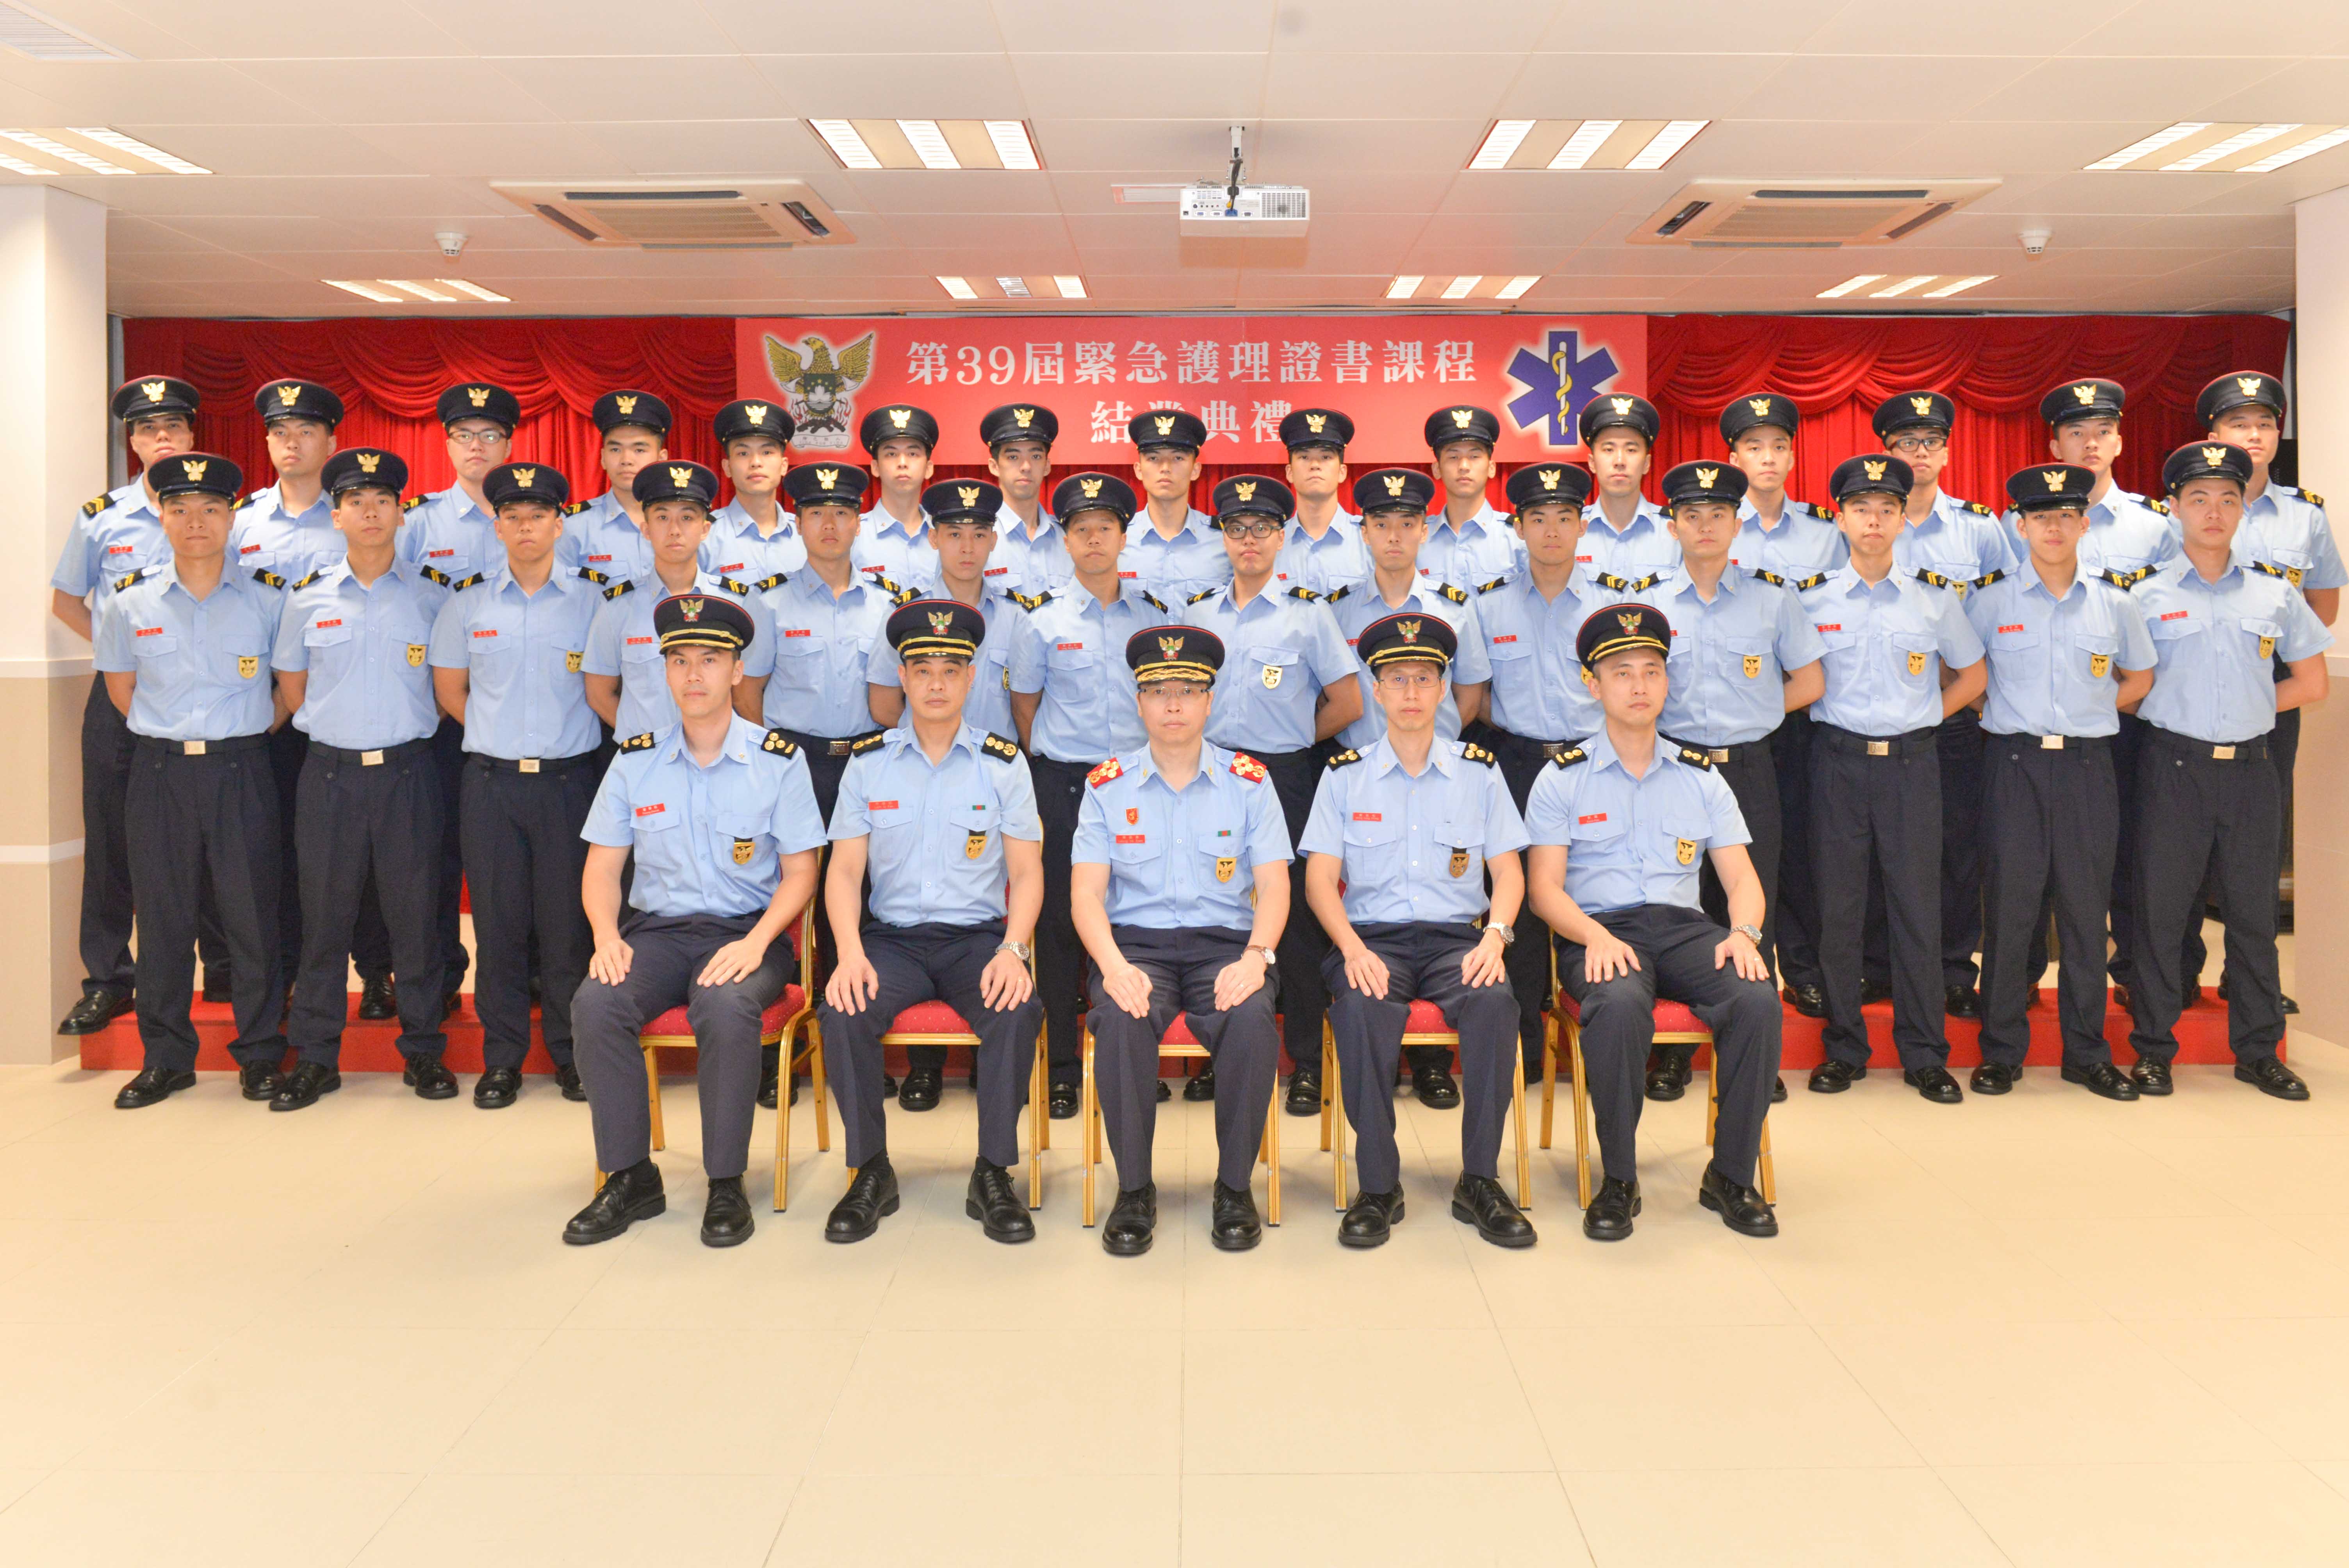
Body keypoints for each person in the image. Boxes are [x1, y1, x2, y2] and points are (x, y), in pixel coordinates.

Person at [561, 593, 826, 1248]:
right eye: (680, 661)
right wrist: (605, 937)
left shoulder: (778, 760)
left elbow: (803, 872)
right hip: (656, 933)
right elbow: (601, 870)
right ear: (666, 671)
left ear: (737, 670)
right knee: (596, 1003)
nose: (694, 675)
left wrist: (758, 942)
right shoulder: (635, 760)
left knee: (726, 1005)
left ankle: (726, 1182)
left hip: (747, 932)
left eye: (710, 660)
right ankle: (630, 1176)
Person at [1524, 602, 1783, 1240]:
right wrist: (1594, 936)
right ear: (1594, 686)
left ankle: (1730, 1175)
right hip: (1599, 929)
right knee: (1616, 1004)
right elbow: (1543, 891)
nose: (1639, 686)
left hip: (1684, 928)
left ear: (1667, 682)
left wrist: (1745, 935)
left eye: (1651, 671)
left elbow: (1742, 880)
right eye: (1622, 673)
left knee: (1756, 998)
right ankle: (1619, 1179)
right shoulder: (1561, 778)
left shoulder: (1701, 777)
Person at [1303, 611, 1534, 1249]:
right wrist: (1351, 949)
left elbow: (1509, 875)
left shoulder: (1480, 772)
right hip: (1370, 939)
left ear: (1443, 690)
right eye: (1397, 680)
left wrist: (1496, 937)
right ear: (1376, 691)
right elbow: (1319, 881)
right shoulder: (1343, 775)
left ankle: (1480, 1179)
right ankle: (1379, 1185)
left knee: (1495, 1004)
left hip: (1459, 939)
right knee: (1360, 1009)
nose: (1411, 692)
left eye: (1424, 679)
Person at [818, 599, 1046, 1245]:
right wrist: (848, 953)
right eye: (923, 671)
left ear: (971, 678)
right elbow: (844, 873)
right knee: (843, 1010)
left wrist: (1014, 950)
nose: (937, 684)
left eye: (951, 671)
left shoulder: (1003, 763)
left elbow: (1027, 873)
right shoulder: (868, 763)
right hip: (891, 942)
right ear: (903, 678)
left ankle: (993, 1172)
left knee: (1016, 1008)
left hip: (977, 940)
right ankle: (870, 1170)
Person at [1073, 625, 1292, 1254]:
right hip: (1135, 947)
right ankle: (1134, 1190)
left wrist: (1256, 959)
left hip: (1226, 946)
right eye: (1158, 691)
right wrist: (1112, 967)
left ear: (1209, 701)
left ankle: (1234, 1187)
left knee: (1250, 1018)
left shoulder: (1250, 782)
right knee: (1120, 1018)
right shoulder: (1106, 785)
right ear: (1139, 701)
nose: (1174, 704)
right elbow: (1086, 894)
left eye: (1189, 690)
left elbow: (1275, 886)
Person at [2123, 441, 2330, 1100]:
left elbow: (2313, 682)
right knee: (2161, 914)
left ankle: (2259, 1051)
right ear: (2174, 508)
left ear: (2242, 509)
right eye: (2198, 499)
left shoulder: (2275, 593)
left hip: (2250, 772)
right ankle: (2153, 1049)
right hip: (2172, 767)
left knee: (2252, 916)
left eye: (2228, 499)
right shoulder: (2142, 596)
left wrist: (2248, 705)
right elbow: (2122, 686)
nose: (2213, 512)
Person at [96, 453, 290, 1109]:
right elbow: (123, 692)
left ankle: (260, 1055)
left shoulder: (268, 598)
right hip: (161, 774)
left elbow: (288, 690)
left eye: (210, 509)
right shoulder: (131, 602)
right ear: (162, 517)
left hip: (243, 770)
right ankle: (166, 1058)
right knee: (163, 919)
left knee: (252, 919)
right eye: (179, 509)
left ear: (231, 517)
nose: (195, 521)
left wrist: (242, 733)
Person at [268, 448, 453, 1109]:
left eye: (383, 501)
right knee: (324, 920)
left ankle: (424, 1050)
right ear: (337, 515)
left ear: (401, 514)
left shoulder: (433, 596)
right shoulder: (306, 598)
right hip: (330, 777)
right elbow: (293, 688)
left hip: (408, 774)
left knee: (416, 919)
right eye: (356, 502)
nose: (370, 512)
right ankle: (317, 1057)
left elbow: (444, 689)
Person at [1964, 462, 2153, 1100]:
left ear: (2084, 524)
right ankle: (2001, 1052)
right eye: (2040, 517)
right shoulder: (1990, 602)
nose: (2053, 527)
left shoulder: (2115, 602)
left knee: (2084, 913)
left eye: (2066, 516)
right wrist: (2001, 713)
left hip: (2087, 769)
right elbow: (1963, 676)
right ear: (2019, 527)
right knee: (2011, 911)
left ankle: (2087, 1054)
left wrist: (2092, 712)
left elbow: (2141, 677)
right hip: (2013, 766)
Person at [1801, 454, 1987, 1102]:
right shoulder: (1812, 601)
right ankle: (1844, 1048)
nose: (1874, 521)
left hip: (1912, 766)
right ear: (1841, 518)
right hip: (1838, 763)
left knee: (1916, 908)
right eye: (1861, 509)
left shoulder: (1933, 599)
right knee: (1840, 910)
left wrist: (1928, 714)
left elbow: (1974, 674)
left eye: (1887, 509)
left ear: (1904, 519)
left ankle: (1925, 1052)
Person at [1646, 460, 1825, 1101]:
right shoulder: (1647, 604)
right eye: (1691, 515)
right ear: (1673, 525)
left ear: (1737, 522)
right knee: (1678, 911)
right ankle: (1673, 1056)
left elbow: (1810, 682)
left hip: (1749, 770)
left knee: (1752, 909)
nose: (1705, 526)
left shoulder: (1772, 599)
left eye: (1718, 514)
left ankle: (1755, 1054)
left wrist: (1757, 716)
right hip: (1671, 771)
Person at [428, 460, 602, 1109]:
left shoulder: (593, 602)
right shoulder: (466, 603)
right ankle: (501, 1060)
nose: (526, 527)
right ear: (497, 526)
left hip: (569, 785)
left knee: (567, 930)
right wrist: (499, 734)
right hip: (492, 786)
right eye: (513, 517)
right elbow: (450, 690)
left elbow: (606, 686)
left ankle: (572, 1055)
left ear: (559, 525)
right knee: (498, 928)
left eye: (538, 516)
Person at [1185, 475, 1362, 1111]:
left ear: (1281, 538)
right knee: (1218, 912)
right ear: (1224, 539)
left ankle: (1307, 1063)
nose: (1249, 540)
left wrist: (1291, 739)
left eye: (1262, 528)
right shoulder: (1198, 615)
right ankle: (1217, 1053)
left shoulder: (1307, 614)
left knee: (1299, 926)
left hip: (1285, 777)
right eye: (1237, 529)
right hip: (1209, 777)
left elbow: (1348, 701)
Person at [1007, 473, 1173, 1118]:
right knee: (1056, 927)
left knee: (1135, 918)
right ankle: (1061, 1068)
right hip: (1065, 785)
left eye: (1106, 528)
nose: (1095, 539)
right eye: (1082, 529)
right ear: (1067, 541)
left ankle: (1138, 1054)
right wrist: (1058, 767)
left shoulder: (1155, 618)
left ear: (1124, 538)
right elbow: (1025, 707)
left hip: (1138, 784)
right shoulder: (1041, 619)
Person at [1330, 467, 1495, 1109]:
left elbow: (1469, 693)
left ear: (1425, 531)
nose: (1394, 536)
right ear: (1364, 532)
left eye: (1407, 524)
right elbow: (1333, 695)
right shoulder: (1338, 609)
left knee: (1441, 902)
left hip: (1442, 776)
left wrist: (1435, 742)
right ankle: (1373, 1060)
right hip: (1361, 779)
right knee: (1374, 909)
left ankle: (1431, 1066)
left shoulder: (1454, 605)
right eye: (1381, 524)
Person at [868, 478, 1032, 1103]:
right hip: (915, 771)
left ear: (994, 540)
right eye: (954, 534)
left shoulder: (1016, 615)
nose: (967, 546)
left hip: (993, 782)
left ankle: (994, 1066)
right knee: (913, 899)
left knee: (979, 905)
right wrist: (925, 744)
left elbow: (1024, 709)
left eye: (979, 534)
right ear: (934, 538)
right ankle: (926, 1066)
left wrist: (994, 764)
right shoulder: (903, 615)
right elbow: (884, 704)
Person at [2023, 377, 2179, 1009]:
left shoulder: (2155, 527)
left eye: (2103, 431)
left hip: (2130, 718)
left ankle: (2135, 976)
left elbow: (2173, 619)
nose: (2090, 442)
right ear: (2054, 444)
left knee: (2132, 854)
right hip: (2044, 726)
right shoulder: (2020, 522)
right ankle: (2023, 978)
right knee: (2032, 865)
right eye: (2076, 431)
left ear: (2119, 440)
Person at [2187, 370, 2337, 1015]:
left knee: (2259, 842)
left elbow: (2321, 609)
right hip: (2190, 695)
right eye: (2238, 424)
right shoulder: (2179, 509)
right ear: (2212, 433)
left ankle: (2250, 979)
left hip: (2273, 693)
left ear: (2279, 434)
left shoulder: (2305, 515)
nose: (2253, 435)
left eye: (2265, 424)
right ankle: (2177, 970)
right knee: (2183, 842)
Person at [52, 375, 198, 1037]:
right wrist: (121, 657)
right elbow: (66, 602)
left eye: (173, 425)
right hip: (119, 698)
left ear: (192, 434)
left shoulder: (224, 508)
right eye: (147, 428)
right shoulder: (101, 517)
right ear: (132, 442)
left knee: (208, 836)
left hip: (201, 695)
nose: (161, 436)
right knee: (111, 840)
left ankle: (223, 970)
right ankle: (110, 979)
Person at [1470, 461, 1622, 1087]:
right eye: (1538, 519)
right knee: (1522, 914)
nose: (1552, 530)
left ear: (1584, 526)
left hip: (1594, 766)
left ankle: (1605, 1042)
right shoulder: (1489, 605)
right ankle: (1528, 1051)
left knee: (1595, 893)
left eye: (1565, 518)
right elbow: (1476, 697)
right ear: (1519, 528)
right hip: (1518, 765)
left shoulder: (1613, 603)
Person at [1874, 391, 2018, 1021]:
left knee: (1957, 849)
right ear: (1887, 453)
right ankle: (1878, 966)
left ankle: (1956, 970)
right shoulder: (1866, 519)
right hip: (1880, 714)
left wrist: (1976, 699)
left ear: (1947, 451)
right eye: (1906, 443)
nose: (1920, 452)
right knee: (1880, 849)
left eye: (1930, 441)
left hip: (1957, 714)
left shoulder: (1980, 529)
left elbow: (2006, 612)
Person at [395, 380, 524, 1024]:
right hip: (439, 716)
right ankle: (441, 974)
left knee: (526, 860)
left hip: (524, 713)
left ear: (509, 445)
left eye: (490, 435)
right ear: (447, 444)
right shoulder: (417, 523)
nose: (477, 446)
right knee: (436, 855)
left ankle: (530, 972)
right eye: (465, 435)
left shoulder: (536, 512)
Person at [1720, 393, 1843, 1021]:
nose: (1767, 458)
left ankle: (1801, 968)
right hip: (1721, 723)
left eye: (1778, 447)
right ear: (1734, 457)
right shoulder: (1710, 520)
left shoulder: (1827, 534)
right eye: (1754, 447)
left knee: (1795, 849)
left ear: (1793, 456)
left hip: (1799, 718)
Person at [237, 378, 350, 1000]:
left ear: (331, 442)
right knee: (273, 851)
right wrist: (276, 705)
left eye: (306, 431)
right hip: (265, 716)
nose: (292, 443)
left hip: (340, 710)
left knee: (356, 857)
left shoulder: (356, 514)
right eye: (280, 432)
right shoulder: (241, 522)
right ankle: (279, 973)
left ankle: (374, 973)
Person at [756, 462, 911, 817]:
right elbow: (748, 690)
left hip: (870, 759)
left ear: (858, 524)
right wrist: (769, 756)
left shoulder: (887, 603)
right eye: (816, 514)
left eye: (841, 513)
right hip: (792, 760)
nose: (829, 525)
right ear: (798, 524)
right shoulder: (769, 602)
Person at [584, 460, 771, 744]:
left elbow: (747, 691)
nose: (674, 530)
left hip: (719, 758)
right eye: (662, 518)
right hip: (644, 762)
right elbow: (599, 694)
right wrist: (645, 745)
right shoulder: (617, 607)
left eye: (687, 518)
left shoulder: (738, 602)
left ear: (705, 529)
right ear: (646, 530)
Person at [559, 389, 672, 584]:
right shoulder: (573, 526)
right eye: (616, 449)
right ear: (603, 458)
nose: (626, 460)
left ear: (662, 459)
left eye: (639, 450)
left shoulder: (685, 525)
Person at [1123, 408, 1230, 602]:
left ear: (1195, 470)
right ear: (1138, 470)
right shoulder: (1117, 540)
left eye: (1178, 458)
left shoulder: (1224, 541)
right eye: (1153, 458)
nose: (1165, 468)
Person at [1418, 405, 1524, 591]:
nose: (1464, 466)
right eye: (1453, 457)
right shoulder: (1416, 540)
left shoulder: (1518, 538)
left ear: (1492, 468)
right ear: (1437, 469)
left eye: (1474, 456)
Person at [701, 397, 804, 585]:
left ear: (784, 466)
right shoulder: (704, 536)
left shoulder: (807, 535)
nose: (756, 462)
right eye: (743, 453)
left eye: (767, 452)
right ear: (727, 467)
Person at [1577, 393, 1678, 583]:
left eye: (1631, 450)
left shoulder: (1676, 532)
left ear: (1647, 463)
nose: (1620, 461)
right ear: (1592, 463)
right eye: (1609, 450)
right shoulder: (1569, 531)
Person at [1272, 407, 1369, 598]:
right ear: (1289, 472)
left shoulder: (1369, 540)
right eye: (1304, 457)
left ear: (1342, 472)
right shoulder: (1270, 542)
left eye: (1326, 457)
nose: (1315, 465)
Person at [982, 402, 1071, 597]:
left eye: (1036, 456)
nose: (1026, 467)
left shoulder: (1069, 538)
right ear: (994, 466)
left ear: (1047, 466)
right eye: (1013, 457)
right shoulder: (977, 537)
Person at [854, 403, 939, 592]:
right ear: (875, 467)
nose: (902, 463)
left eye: (913, 454)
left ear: (928, 469)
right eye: (891, 454)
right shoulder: (854, 536)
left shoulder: (948, 536)